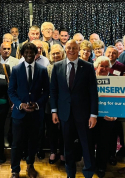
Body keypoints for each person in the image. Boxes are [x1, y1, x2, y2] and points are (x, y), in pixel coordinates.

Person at [50, 39, 98, 178]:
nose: (71, 50)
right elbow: (53, 91)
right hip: (65, 114)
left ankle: (88, 172)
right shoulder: (57, 66)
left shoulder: (88, 67)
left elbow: (93, 93)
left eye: (74, 48)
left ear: (78, 50)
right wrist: (54, 111)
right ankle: (70, 173)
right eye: (69, 47)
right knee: (68, 146)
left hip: (84, 115)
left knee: (87, 146)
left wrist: (93, 114)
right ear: (65, 49)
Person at [8, 42, 49, 178]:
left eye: (32, 52)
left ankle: (30, 165)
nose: (29, 54)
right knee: (17, 143)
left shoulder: (42, 70)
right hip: (19, 113)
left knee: (33, 142)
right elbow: (11, 91)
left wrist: (37, 104)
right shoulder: (16, 69)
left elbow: (46, 92)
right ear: (22, 54)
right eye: (26, 52)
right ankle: (15, 170)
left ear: (36, 53)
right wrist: (20, 104)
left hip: (36, 114)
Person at [92, 56, 118, 178]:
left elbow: (120, 102)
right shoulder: (89, 79)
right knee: (90, 142)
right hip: (91, 117)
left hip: (108, 118)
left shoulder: (115, 81)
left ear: (110, 68)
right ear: (96, 66)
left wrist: (114, 116)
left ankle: (101, 167)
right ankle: (90, 165)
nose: (103, 68)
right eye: (101, 66)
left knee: (104, 144)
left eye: (106, 66)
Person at [46, 44, 65, 164]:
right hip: (50, 102)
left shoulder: (66, 66)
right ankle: (53, 151)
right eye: (53, 53)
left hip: (64, 103)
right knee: (51, 129)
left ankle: (63, 152)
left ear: (62, 54)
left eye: (58, 53)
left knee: (64, 129)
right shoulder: (48, 68)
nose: (55, 55)